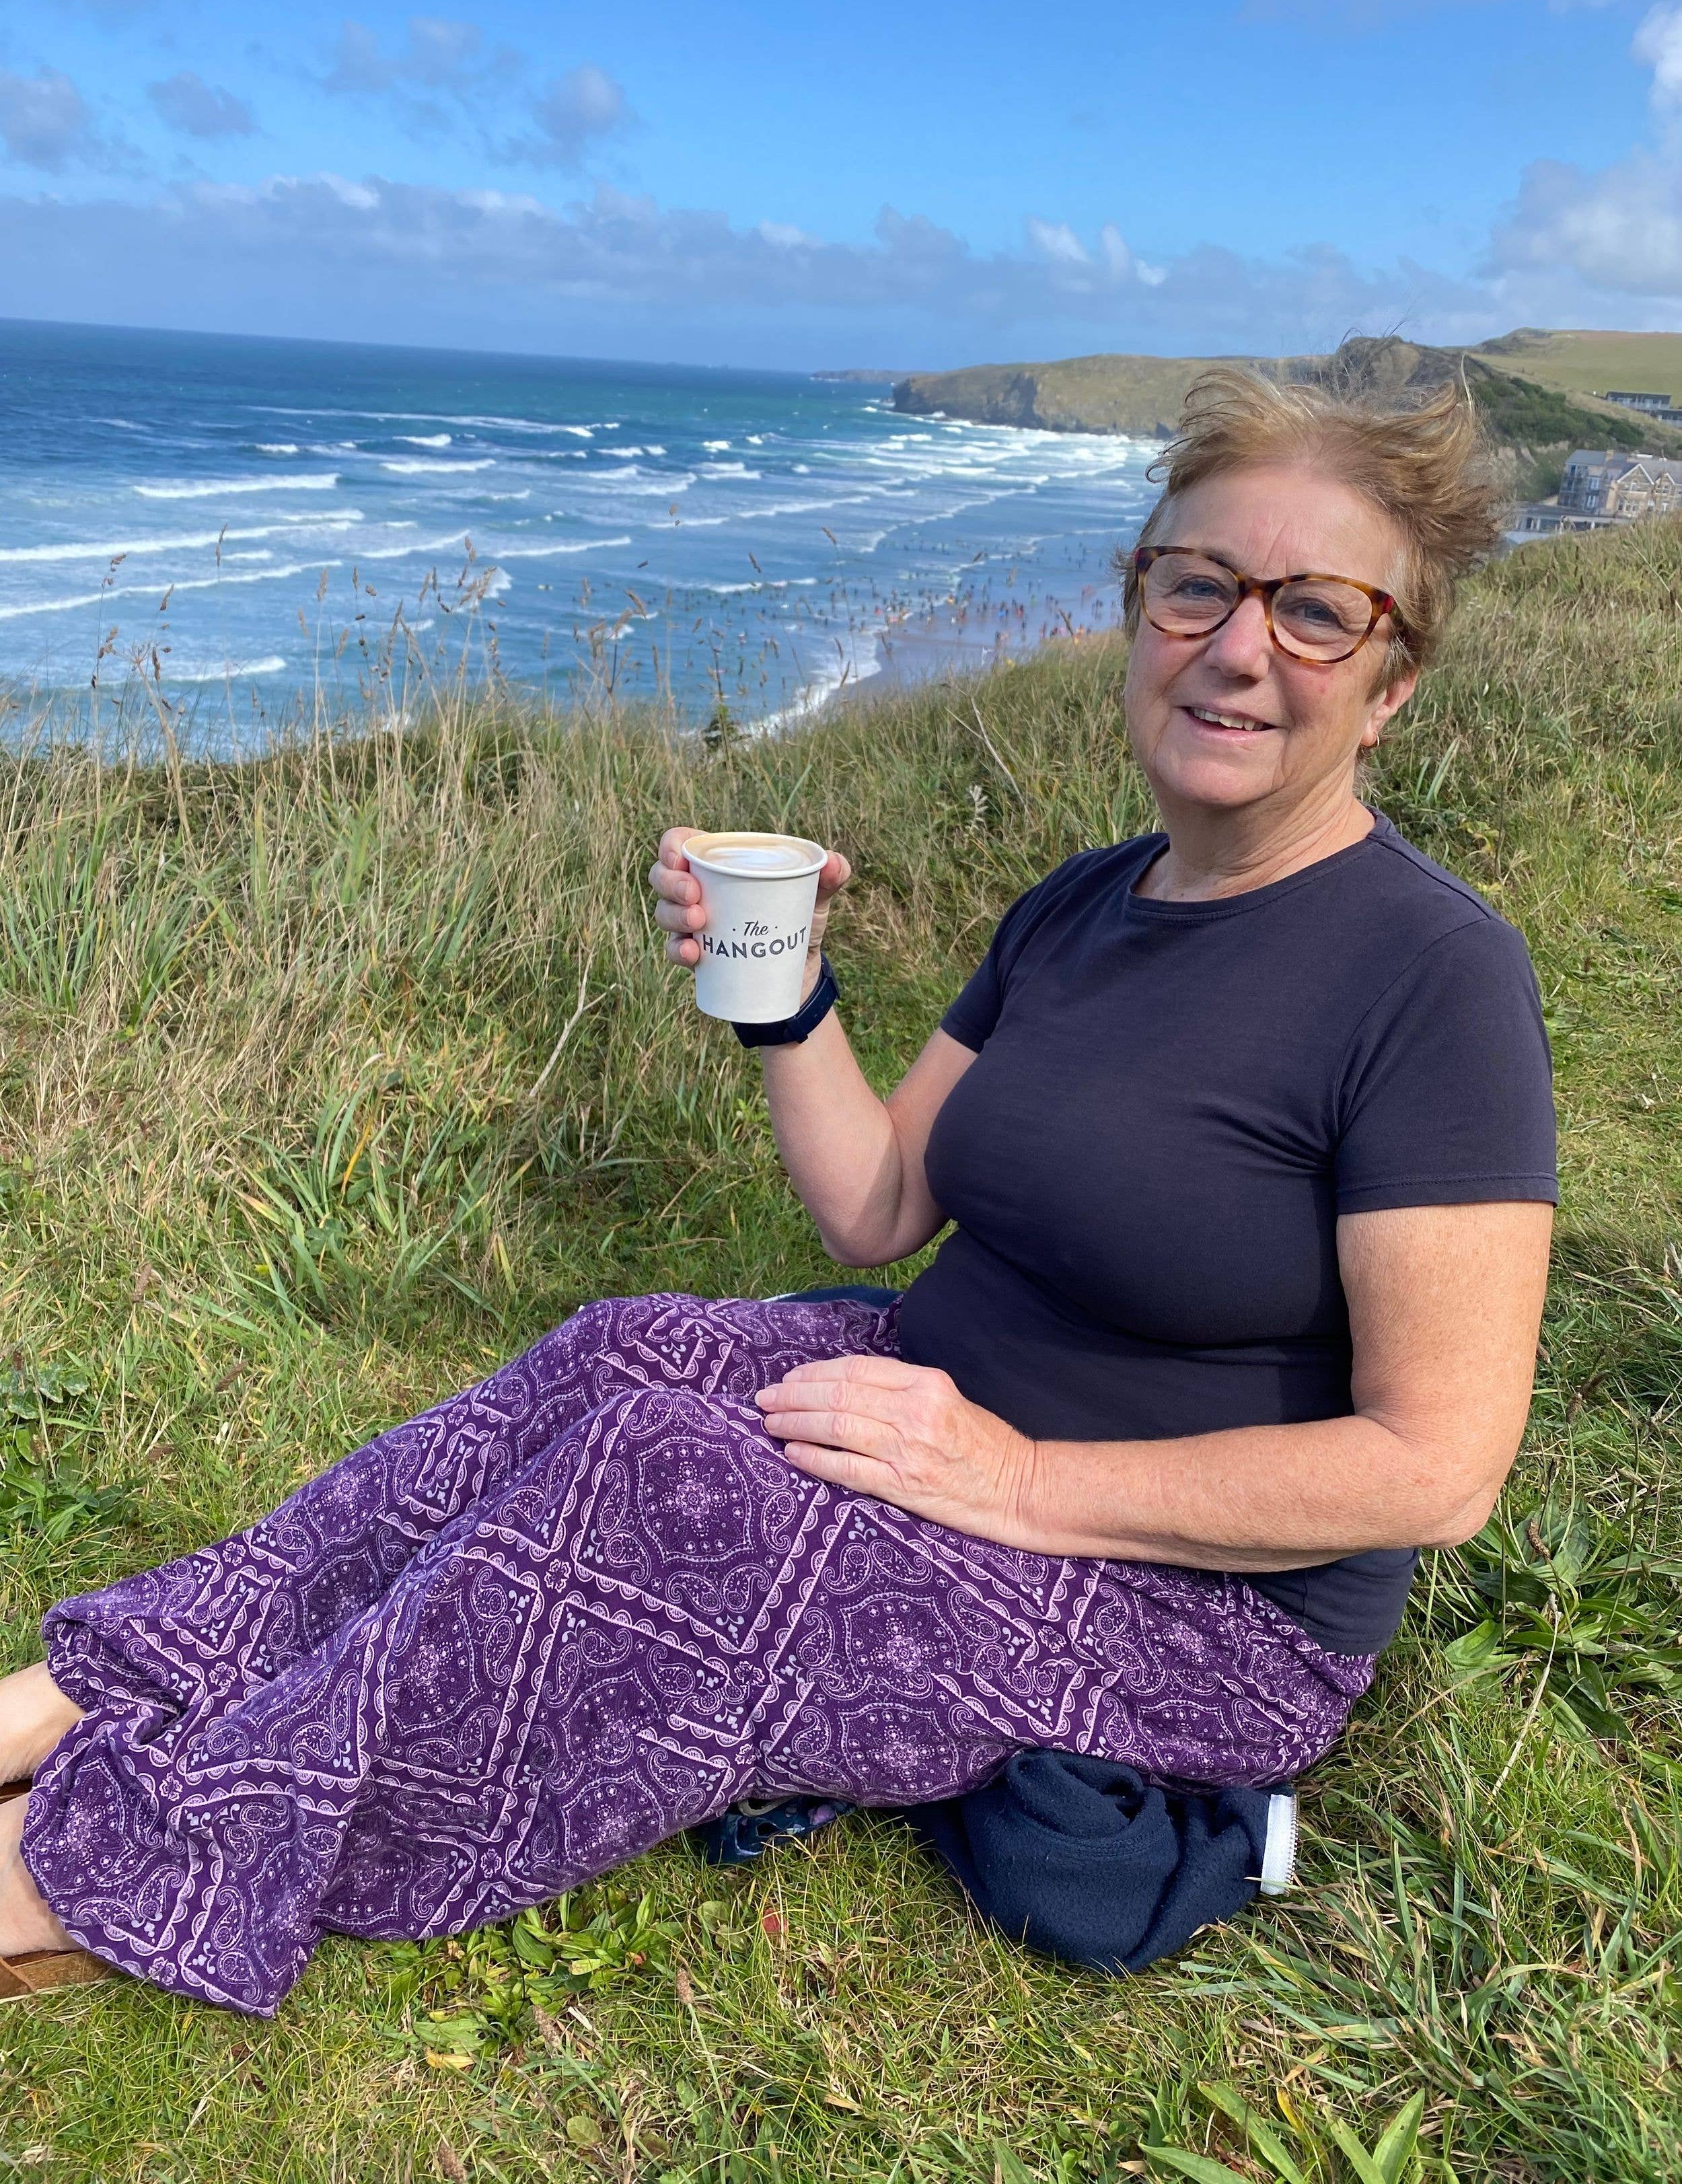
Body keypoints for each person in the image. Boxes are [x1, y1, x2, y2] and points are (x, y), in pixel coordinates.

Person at [0, 371, 1556, 2015]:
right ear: (1139, 612)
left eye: (1316, 611)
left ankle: (102, 1860)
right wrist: (788, 993)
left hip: (1194, 1613)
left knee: (666, 1482)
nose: (1239, 647)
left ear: (1387, 682)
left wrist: (1017, 1480)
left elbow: (1432, 1467)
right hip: (939, 1409)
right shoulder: (1083, 903)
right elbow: (879, 1209)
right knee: (615, 1354)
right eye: (1196, 584)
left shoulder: (1430, 977)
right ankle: (83, 1692)